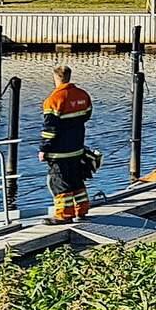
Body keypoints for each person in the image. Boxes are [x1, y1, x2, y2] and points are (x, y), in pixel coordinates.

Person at [38, 66, 96, 223]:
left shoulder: (53, 100)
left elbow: (49, 129)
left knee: (59, 182)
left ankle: (63, 215)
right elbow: (87, 115)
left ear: (55, 78)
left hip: (59, 151)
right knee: (76, 179)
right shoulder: (83, 95)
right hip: (77, 147)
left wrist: (43, 149)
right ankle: (81, 210)